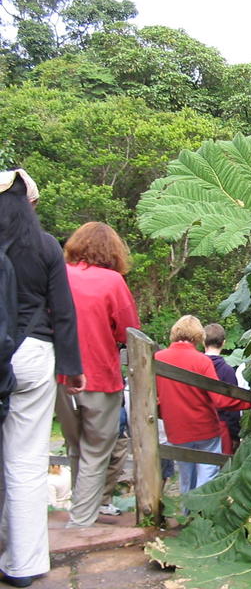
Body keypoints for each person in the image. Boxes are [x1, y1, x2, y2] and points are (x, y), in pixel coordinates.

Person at [0, 169, 84, 588]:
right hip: (33, 353)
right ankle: (24, 564)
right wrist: (72, 368)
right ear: (30, 205)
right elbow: (63, 311)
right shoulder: (47, 245)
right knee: (26, 463)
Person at [54, 222, 140, 529]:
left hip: (61, 375)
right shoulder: (113, 281)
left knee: (74, 445)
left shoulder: (60, 274)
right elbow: (129, 330)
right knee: (97, 448)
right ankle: (81, 520)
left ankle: (78, 512)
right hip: (100, 376)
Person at [155, 316, 251, 494]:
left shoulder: (158, 358)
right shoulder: (201, 361)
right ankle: (200, 515)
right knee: (207, 475)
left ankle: (187, 514)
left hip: (177, 429)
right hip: (205, 428)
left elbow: (153, 396)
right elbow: (220, 400)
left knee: (186, 477)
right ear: (198, 336)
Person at [203, 323, 241, 454]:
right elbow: (233, 405)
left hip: (197, 423)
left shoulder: (195, 366)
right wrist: (235, 434)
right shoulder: (227, 371)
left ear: (203, 342)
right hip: (221, 426)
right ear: (223, 343)